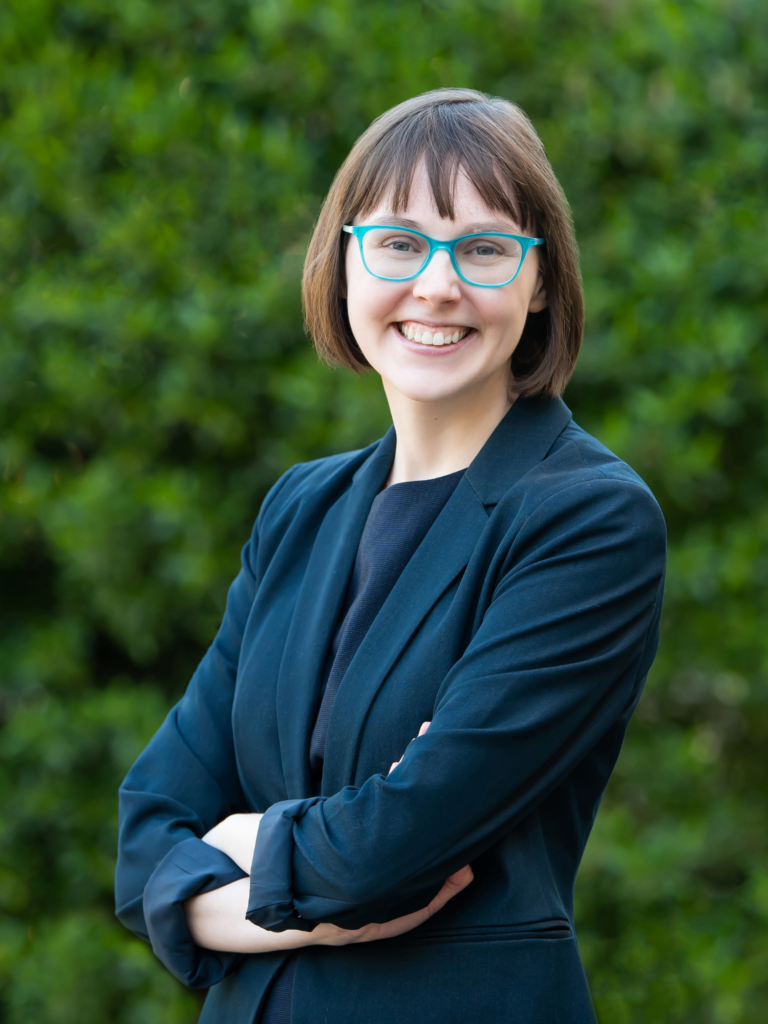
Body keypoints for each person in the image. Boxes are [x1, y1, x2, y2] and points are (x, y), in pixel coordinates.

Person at [115, 88, 666, 1024]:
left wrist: (246, 841)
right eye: (400, 244)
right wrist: (304, 909)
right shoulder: (302, 507)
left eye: (486, 249)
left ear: (538, 284)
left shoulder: (589, 521)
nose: (439, 285)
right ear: (343, 265)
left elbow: (399, 846)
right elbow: (147, 833)